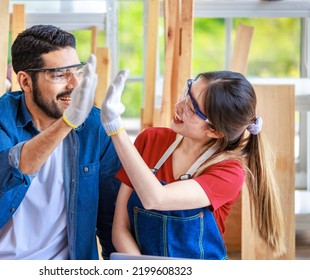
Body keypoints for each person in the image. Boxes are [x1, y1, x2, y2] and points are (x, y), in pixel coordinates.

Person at [0, 25, 121, 260]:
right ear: (26, 82)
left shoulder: (95, 127)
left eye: (77, 71)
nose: (75, 85)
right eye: (59, 74)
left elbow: (109, 218)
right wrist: (68, 121)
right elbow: (7, 173)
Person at [100, 70, 286, 259]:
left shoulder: (229, 173)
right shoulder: (150, 141)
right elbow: (120, 228)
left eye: (192, 109)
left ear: (215, 132)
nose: (179, 106)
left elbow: (156, 198)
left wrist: (116, 129)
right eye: (187, 94)